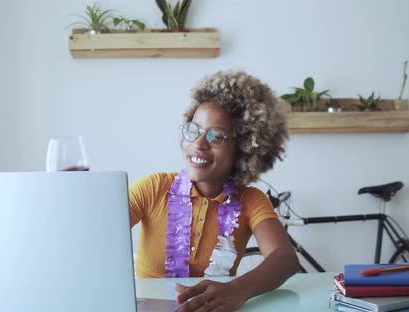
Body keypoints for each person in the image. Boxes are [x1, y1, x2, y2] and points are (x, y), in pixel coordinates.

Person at [128, 70, 300, 312]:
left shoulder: (250, 200)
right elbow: (100, 234)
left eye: (216, 136)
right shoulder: (153, 188)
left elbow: (285, 259)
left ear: (242, 147)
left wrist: (238, 290)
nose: (198, 144)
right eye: (193, 131)